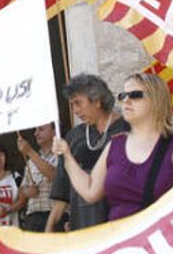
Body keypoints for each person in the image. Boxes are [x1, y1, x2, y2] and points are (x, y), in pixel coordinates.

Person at [53, 73, 173, 221]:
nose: (126, 101)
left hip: (163, 239)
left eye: (135, 95)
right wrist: (66, 155)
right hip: (120, 239)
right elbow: (90, 190)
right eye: (122, 96)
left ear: (157, 99)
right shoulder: (115, 145)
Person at [46, 74, 129, 232]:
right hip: (82, 228)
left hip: (121, 226)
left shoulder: (128, 129)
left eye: (78, 103)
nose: (75, 110)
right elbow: (62, 192)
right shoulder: (73, 137)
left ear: (97, 100)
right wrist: (48, 230)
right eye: (72, 105)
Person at [16, 123, 58, 232]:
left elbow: (55, 176)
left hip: (56, 217)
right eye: (35, 130)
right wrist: (26, 192)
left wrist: (29, 151)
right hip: (33, 219)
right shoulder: (30, 162)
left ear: (54, 131)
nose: (36, 133)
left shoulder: (62, 154)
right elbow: (20, 193)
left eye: (41, 129)